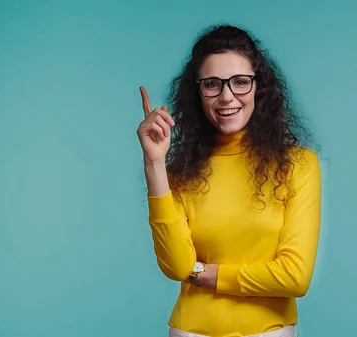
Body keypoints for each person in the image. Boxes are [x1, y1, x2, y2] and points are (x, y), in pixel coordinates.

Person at [136, 24, 322, 337]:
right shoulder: (180, 171)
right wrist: (154, 163)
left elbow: (295, 277)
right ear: (198, 92)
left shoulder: (298, 165)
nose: (226, 97)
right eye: (212, 84)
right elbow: (178, 267)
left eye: (240, 82)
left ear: (258, 85)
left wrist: (207, 274)